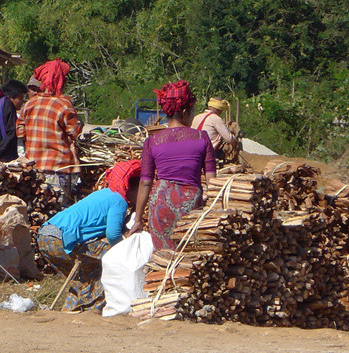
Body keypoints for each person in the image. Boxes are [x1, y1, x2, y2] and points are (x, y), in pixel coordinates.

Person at [37, 160, 141, 311]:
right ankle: (91, 309)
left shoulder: (104, 194)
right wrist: (125, 254)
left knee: (82, 275)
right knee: (106, 263)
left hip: (45, 235)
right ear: (132, 187)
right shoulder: (119, 200)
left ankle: (72, 309)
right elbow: (113, 235)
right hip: (63, 238)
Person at [129, 80, 216, 251]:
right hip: (190, 206)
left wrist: (138, 219)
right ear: (184, 112)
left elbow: (145, 183)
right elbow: (212, 182)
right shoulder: (202, 137)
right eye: (192, 112)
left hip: (160, 205)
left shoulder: (152, 141)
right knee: (187, 258)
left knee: (162, 259)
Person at [17, 59, 82, 206]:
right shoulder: (64, 105)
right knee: (57, 211)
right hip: (59, 169)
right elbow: (74, 133)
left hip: (34, 169)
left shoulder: (29, 104)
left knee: (37, 209)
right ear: (61, 81)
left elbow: (20, 132)